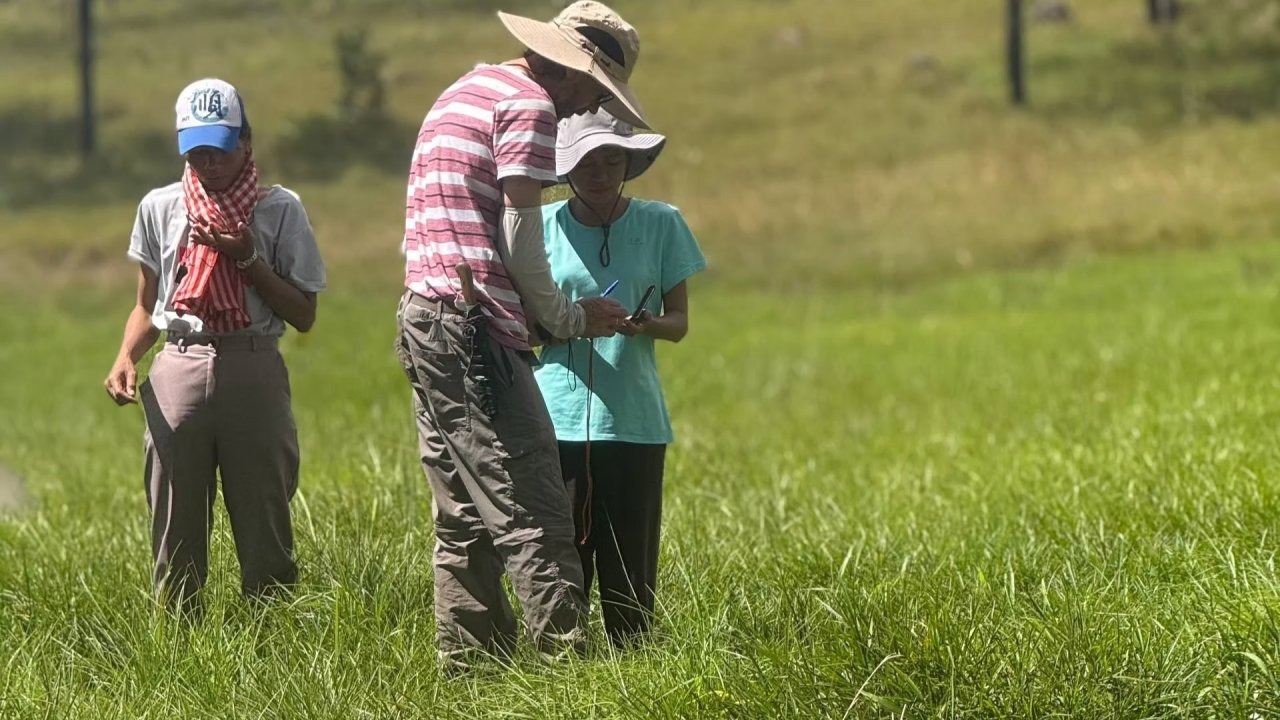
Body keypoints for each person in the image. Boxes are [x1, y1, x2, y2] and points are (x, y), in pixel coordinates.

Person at [394, 1, 649, 668]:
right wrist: (565, 318)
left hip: (424, 316)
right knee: (535, 505)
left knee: (463, 514)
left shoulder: (465, 89)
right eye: (594, 93)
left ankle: (471, 671)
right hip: (476, 327)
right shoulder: (531, 105)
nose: (583, 110)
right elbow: (518, 236)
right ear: (572, 71)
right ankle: (569, 674)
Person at [103, 78, 326, 610]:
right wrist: (126, 356)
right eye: (197, 149)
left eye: (220, 147)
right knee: (174, 522)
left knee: (264, 515)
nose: (210, 161)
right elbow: (148, 305)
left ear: (246, 142)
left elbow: (303, 314)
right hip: (180, 364)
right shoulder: (160, 207)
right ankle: (180, 640)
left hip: (253, 362)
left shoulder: (280, 210)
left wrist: (248, 259)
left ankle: (271, 632)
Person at [535, 109, 706, 647]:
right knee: (561, 548)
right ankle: (563, 658)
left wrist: (645, 324)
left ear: (629, 163)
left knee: (631, 552)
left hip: (632, 418)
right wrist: (567, 320)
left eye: (613, 159)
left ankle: (632, 660)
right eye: (587, 160)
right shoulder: (539, 227)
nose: (601, 171)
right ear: (566, 167)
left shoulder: (662, 222)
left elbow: (679, 324)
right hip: (556, 415)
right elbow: (522, 320)